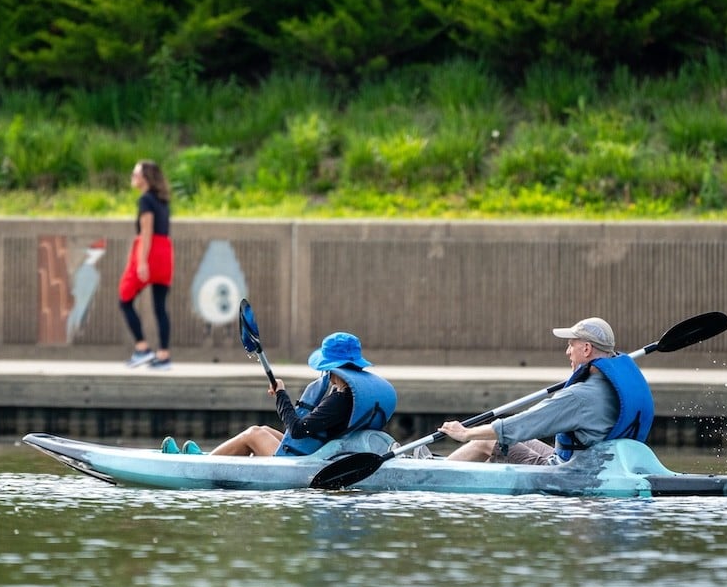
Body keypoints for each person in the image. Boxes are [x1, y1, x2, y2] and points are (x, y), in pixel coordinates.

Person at [438, 317, 654, 464]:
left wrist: (465, 433)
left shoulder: (579, 397)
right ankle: (449, 467)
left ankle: (433, 474)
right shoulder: (611, 386)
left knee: (484, 439)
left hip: (567, 473)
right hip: (599, 465)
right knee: (511, 440)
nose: (567, 351)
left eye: (571, 344)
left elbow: (525, 423)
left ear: (586, 349)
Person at [172, 332, 397, 456]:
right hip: (318, 447)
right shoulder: (353, 396)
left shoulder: (339, 400)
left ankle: (204, 463)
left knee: (253, 434)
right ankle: (210, 458)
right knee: (265, 430)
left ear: (332, 367)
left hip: (304, 460)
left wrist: (281, 396)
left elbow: (298, 430)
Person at [119, 160, 174, 370]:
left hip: (148, 250)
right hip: (165, 252)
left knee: (124, 298)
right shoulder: (163, 200)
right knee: (160, 307)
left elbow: (146, 230)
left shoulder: (145, 200)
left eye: (135, 174)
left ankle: (142, 348)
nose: (133, 177)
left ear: (145, 178)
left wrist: (142, 261)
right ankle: (163, 356)